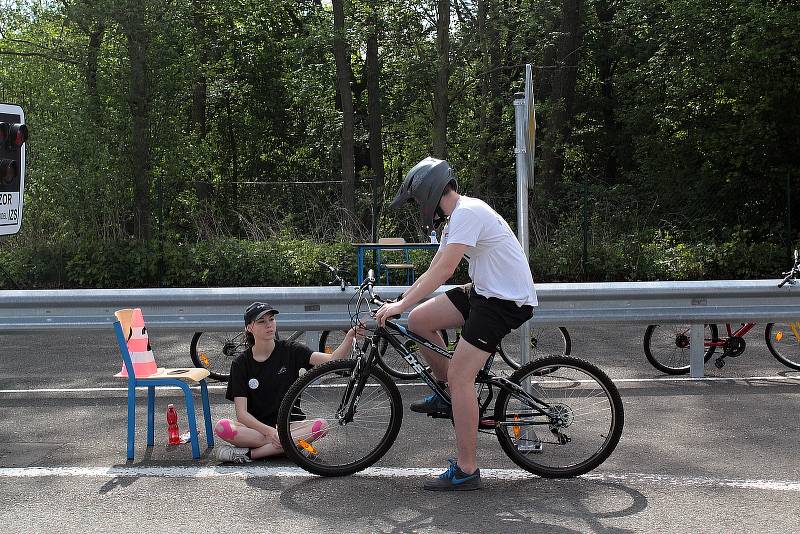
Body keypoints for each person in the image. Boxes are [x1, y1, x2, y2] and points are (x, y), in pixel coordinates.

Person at [374, 157, 537, 491]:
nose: (420, 207)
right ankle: (447, 390)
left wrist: (400, 303)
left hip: (504, 302)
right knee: (418, 320)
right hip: (484, 292)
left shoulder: (466, 213)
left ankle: (467, 469)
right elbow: (434, 267)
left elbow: (445, 271)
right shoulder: (456, 217)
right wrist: (404, 303)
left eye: (418, 200)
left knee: (463, 377)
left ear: (430, 194)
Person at [214, 301, 363, 463]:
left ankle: (249, 454)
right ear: (249, 327)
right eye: (262, 322)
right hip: (257, 430)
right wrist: (270, 433)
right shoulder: (240, 363)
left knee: (322, 426)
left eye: (271, 320)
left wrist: (349, 338)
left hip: (290, 426)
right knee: (222, 427)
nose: (269, 325)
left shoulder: (291, 350)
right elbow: (241, 415)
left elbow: (332, 360)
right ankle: (289, 448)